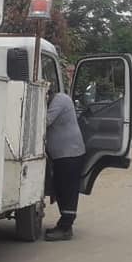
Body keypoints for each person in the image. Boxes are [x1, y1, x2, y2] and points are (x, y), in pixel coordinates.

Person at [44, 89, 85, 241]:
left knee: (68, 191)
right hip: (63, 156)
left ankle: (65, 227)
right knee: (60, 189)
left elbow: (45, 121)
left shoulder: (60, 100)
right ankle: (64, 225)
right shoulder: (58, 100)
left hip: (70, 154)